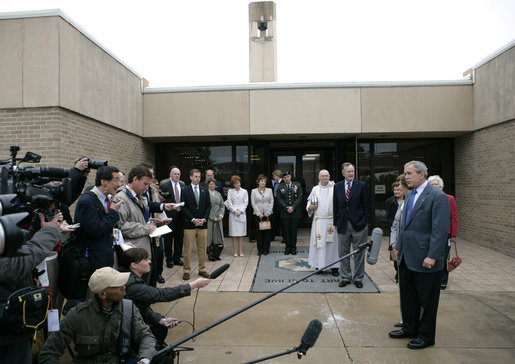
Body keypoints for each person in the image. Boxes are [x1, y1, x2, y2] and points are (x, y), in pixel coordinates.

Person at [389, 161, 450, 350]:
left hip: (426, 258)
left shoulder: (437, 197)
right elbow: (404, 226)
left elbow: (439, 230)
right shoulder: (410, 195)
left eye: (409, 173)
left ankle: (426, 336)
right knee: (408, 296)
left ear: (421, 174)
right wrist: (398, 246)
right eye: (405, 173)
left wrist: (432, 255)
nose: (406, 177)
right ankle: (409, 328)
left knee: (427, 300)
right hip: (407, 256)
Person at [39, 267, 156, 363]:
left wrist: (144, 359)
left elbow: (146, 335)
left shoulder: (128, 308)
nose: (124, 287)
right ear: (102, 294)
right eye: (118, 285)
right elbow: (48, 353)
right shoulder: (77, 315)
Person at [0, 214, 64, 364]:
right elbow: (18, 262)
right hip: (7, 336)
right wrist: (50, 232)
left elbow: (17, 244)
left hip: (13, 329)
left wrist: (36, 224)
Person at [121, 248, 210, 348]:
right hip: (131, 331)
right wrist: (192, 285)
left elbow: (141, 307)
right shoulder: (133, 286)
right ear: (134, 265)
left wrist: (160, 320)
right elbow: (161, 294)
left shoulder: (132, 279)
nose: (149, 262)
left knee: (160, 328)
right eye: (145, 260)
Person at [115, 165, 175, 283]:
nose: (147, 188)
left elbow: (139, 218)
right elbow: (121, 227)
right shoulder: (121, 198)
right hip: (134, 255)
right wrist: (145, 228)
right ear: (135, 179)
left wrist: (149, 222)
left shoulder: (139, 196)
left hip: (144, 249)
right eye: (145, 184)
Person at [74, 165, 124, 270]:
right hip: (94, 260)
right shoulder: (87, 201)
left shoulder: (109, 199)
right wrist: (113, 211)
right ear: (103, 181)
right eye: (116, 180)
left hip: (106, 256)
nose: (119, 185)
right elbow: (95, 230)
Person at [333, 162, 371, 289]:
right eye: (348, 171)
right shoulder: (337, 187)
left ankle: (358, 278)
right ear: (343, 173)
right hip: (342, 224)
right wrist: (336, 223)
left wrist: (365, 221)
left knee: (359, 252)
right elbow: (335, 206)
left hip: (359, 225)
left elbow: (367, 205)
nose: (351, 173)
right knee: (343, 252)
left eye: (352, 171)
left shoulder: (361, 186)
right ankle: (346, 277)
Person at [428, 175, 459, 290]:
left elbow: (454, 217)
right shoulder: (427, 198)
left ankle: (442, 281)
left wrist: (453, 235)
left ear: (441, 186)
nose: (434, 186)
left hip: (446, 234)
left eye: (436, 184)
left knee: (443, 257)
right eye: (431, 184)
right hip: (430, 233)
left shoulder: (449, 198)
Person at [306, 169, 339, 276]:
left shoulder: (335, 188)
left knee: (332, 245)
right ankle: (319, 266)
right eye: (323, 176)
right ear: (319, 177)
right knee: (319, 245)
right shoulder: (315, 189)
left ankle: (334, 267)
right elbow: (309, 202)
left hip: (332, 221)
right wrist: (310, 207)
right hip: (319, 221)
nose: (325, 178)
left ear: (329, 176)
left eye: (327, 176)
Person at [181, 169, 211, 280]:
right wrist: (192, 219)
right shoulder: (185, 190)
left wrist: (204, 219)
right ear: (190, 177)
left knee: (202, 248)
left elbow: (208, 206)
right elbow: (183, 206)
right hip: (189, 224)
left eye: (199, 177)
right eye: (195, 176)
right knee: (188, 249)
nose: (197, 178)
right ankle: (186, 270)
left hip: (202, 224)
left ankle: (202, 269)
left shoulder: (205, 190)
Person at [160, 166, 185, 268]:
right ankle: (169, 259)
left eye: (178, 174)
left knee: (179, 238)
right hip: (169, 215)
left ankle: (177, 258)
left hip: (180, 215)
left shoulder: (183, 185)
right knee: (168, 238)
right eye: (175, 174)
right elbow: (161, 199)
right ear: (170, 174)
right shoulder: (165, 185)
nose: (177, 176)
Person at [276, 171, 303, 255]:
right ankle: (287, 248)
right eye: (285, 177)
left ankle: (293, 248)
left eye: (288, 176)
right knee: (286, 231)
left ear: (290, 177)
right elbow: (279, 199)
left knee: (293, 231)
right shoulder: (280, 187)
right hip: (285, 213)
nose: (286, 178)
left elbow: (300, 197)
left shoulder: (297, 185)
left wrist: (293, 207)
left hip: (295, 212)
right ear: (283, 179)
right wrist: (286, 207)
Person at [385, 180, 405, 282]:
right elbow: (389, 217)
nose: (396, 192)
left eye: (398, 189)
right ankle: (398, 273)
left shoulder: (407, 200)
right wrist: (394, 226)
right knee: (395, 251)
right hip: (395, 229)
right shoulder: (389, 202)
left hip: (405, 229)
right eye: (394, 190)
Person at [251, 174, 274, 255]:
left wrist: (268, 212)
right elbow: (253, 203)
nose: (263, 183)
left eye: (264, 181)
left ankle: (266, 249)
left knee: (267, 233)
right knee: (259, 233)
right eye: (261, 181)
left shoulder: (269, 190)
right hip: (258, 215)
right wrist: (259, 214)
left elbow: (271, 201)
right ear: (258, 182)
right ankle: (260, 250)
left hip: (267, 215)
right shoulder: (253, 191)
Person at [227, 175, 248, 257]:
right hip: (233, 215)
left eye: (238, 183)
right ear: (233, 184)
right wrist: (235, 211)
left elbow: (246, 202)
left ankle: (241, 250)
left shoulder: (244, 191)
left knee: (240, 234)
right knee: (234, 234)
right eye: (235, 184)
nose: (237, 185)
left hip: (242, 214)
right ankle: (235, 251)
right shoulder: (230, 191)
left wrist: (240, 210)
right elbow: (229, 202)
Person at [206, 178, 225, 261]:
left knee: (218, 237)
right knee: (209, 237)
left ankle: (216, 254)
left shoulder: (218, 194)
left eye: (214, 184)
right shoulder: (205, 193)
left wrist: (221, 215)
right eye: (211, 184)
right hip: (210, 218)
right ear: (208, 185)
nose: (212, 185)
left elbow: (222, 205)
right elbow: (206, 206)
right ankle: (209, 255)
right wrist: (212, 217)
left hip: (218, 218)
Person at [270, 169, 283, 241]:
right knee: (273, 220)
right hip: (274, 203)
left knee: (282, 221)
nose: (273, 177)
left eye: (274, 176)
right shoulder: (274, 183)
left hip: (281, 204)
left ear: (277, 176)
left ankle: (284, 237)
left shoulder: (283, 183)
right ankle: (272, 236)